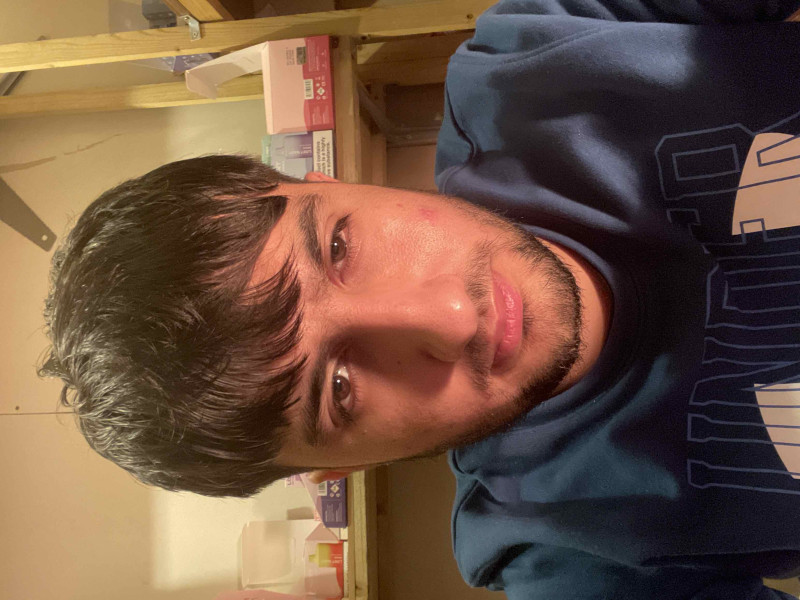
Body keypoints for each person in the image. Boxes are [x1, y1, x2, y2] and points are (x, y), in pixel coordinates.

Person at [40, 0, 800, 598]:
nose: (453, 319)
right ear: (342, 470)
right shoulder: (563, 556)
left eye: (339, 248)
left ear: (324, 180)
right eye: (340, 388)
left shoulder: (540, 50)